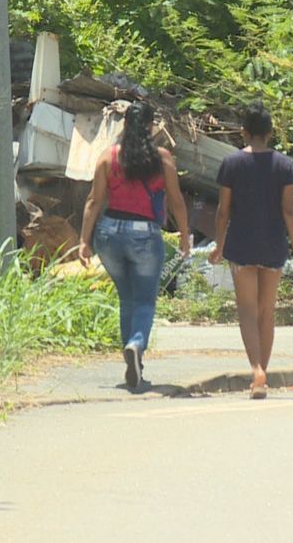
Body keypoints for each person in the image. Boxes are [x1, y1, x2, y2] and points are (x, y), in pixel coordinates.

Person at [79, 101, 191, 389]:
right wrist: (184, 233)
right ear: (152, 127)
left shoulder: (108, 157)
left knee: (126, 299)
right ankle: (136, 343)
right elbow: (177, 201)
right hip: (144, 236)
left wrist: (84, 240)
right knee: (144, 299)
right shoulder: (162, 159)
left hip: (109, 234)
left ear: (125, 125)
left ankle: (134, 362)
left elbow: (94, 201)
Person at [208, 101, 293, 399]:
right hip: (273, 244)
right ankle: (263, 371)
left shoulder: (232, 164)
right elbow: (289, 211)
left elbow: (223, 211)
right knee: (267, 311)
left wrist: (219, 244)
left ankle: (256, 371)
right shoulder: (284, 165)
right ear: (270, 132)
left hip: (241, 244)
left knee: (247, 310)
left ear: (244, 132)